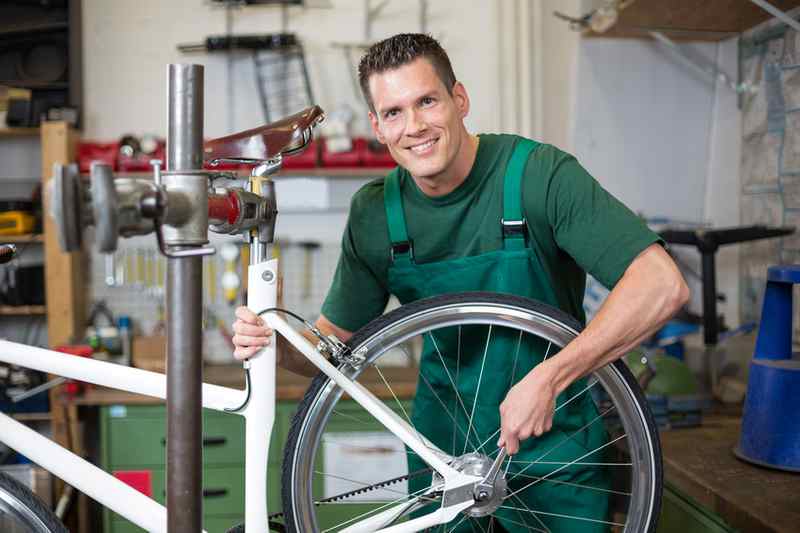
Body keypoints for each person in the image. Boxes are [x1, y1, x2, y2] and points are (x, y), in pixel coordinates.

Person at [232, 33, 688, 531]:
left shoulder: (538, 177)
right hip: (441, 457)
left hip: (556, 448)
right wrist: (274, 340)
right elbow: (329, 353)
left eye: (427, 101)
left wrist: (551, 376)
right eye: (394, 112)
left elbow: (661, 284)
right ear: (377, 127)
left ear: (460, 100)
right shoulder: (375, 215)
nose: (414, 127)